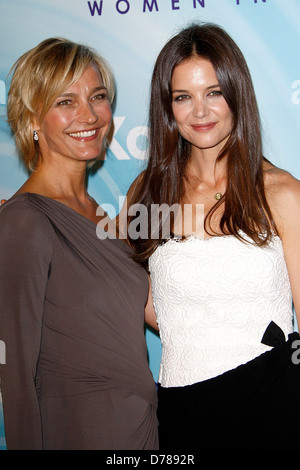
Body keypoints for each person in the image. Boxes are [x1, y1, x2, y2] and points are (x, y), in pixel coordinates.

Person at [125, 23, 300, 449]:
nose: (200, 112)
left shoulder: (280, 193)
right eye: (183, 97)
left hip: (274, 397)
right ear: (167, 107)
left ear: (237, 94)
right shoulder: (148, 193)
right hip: (182, 403)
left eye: (214, 92)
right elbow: (141, 298)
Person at [0, 38, 158, 450]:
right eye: (65, 101)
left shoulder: (106, 219)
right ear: (33, 118)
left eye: (98, 96)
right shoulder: (24, 221)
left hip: (140, 426)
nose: (88, 115)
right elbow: (14, 372)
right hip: (79, 431)